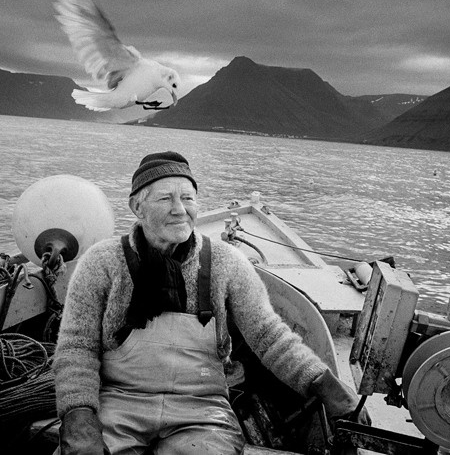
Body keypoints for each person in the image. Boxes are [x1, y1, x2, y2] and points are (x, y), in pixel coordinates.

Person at [53, 151, 367, 455]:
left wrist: (324, 383)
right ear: (137, 207)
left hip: (203, 411)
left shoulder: (226, 263)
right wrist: (78, 415)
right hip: (118, 402)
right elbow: (77, 347)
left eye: (187, 198)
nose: (179, 210)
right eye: (165, 199)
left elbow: (269, 336)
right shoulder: (101, 262)